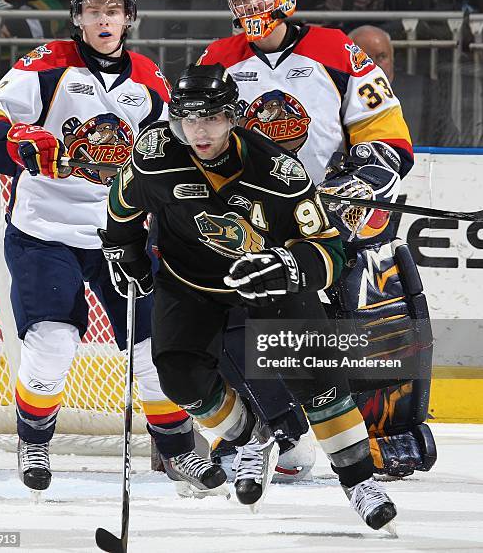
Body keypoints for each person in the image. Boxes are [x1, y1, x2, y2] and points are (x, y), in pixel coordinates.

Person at [100, 62, 398, 530]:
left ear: (233, 116)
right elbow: (122, 205)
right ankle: (249, 440)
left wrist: (289, 265)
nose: (198, 131)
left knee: (317, 379)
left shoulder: (279, 171)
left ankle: (359, 481)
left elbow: (329, 251)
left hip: (268, 281)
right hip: (191, 281)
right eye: (187, 119)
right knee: (180, 380)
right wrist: (124, 249)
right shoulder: (154, 153)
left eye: (212, 118)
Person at [0, 0, 226, 496]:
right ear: (77, 18)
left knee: (158, 349)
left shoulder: (149, 78)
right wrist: (21, 147)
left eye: (113, 11)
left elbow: (168, 153)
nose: (103, 20)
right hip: (45, 232)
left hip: (120, 235)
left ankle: (177, 452)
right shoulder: (44, 65)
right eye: (93, 11)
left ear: (129, 18)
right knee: (53, 342)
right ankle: (34, 437)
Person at [198, 0, 436, 479]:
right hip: (254, 218)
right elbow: (194, 136)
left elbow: (387, 131)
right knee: (220, 313)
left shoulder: (337, 50)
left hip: (332, 216)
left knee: (365, 310)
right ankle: (275, 429)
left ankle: (388, 434)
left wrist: (360, 181)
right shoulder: (217, 59)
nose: (252, 5)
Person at [348, 24, 459, 145]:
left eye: (381, 57)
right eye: (366, 59)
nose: (374, 65)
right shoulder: (338, 96)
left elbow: (449, 140)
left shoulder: (426, 91)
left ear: (392, 58)